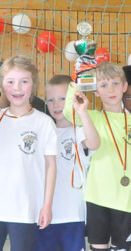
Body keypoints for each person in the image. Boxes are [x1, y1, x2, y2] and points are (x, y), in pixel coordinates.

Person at [0, 55, 57, 251]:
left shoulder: (44, 122)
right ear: (1, 86)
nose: (17, 88)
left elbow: (51, 165)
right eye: (10, 82)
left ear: (33, 86)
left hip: (25, 207)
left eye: (24, 81)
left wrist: (47, 205)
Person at [63, 61, 131, 251]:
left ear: (124, 86)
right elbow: (68, 113)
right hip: (97, 197)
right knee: (98, 247)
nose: (110, 89)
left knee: (121, 248)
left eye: (115, 84)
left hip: (126, 199)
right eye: (103, 85)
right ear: (95, 91)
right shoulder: (92, 116)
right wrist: (76, 82)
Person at [35, 74, 100, 251]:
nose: (56, 105)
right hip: (43, 214)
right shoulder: (42, 131)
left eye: (62, 99)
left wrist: (82, 113)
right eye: (51, 100)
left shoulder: (78, 130)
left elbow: (94, 143)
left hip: (73, 214)